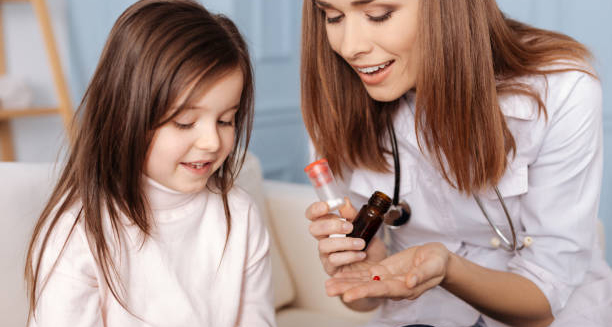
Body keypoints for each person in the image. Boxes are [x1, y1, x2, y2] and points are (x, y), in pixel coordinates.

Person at [301, 0, 612, 326]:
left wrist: (448, 269)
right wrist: (366, 267)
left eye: (380, 15)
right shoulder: (335, 104)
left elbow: (545, 300)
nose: (350, 47)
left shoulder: (562, 87)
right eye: (332, 16)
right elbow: (363, 301)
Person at [24, 1, 275, 326]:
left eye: (226, 120)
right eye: (185, 122)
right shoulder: (78, 233)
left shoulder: (239, 215)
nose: (212, 142)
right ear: (126, 116)